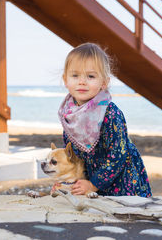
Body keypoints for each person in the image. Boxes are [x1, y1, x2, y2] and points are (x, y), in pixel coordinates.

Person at [58, 42, 152, 197]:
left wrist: (94, 184)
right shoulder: (70, 115)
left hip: (121, 179)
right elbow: (72, 154)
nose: (82, 81)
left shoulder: (110, 113)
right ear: (66, 80)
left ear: (104, 82)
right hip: (90, 180)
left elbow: (118, 155)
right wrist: (72, 179)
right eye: (75, 75)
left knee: (124, 215)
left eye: (90, 76)